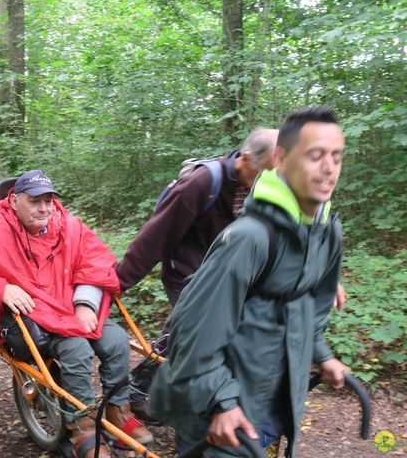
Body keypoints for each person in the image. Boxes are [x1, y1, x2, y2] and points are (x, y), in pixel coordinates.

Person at [149, 105, 349, 457]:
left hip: (276, 396)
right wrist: (221, 400)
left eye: (336, 156)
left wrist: (321, 354)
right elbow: (193, 331)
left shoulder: (326, 231)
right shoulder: (248, 238)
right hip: (224, 412)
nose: (329, 167)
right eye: (315, 155)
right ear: (282, 159)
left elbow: (308, 305)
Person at [0, 170, 153, 458]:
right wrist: (0, 289)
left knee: (117, 339)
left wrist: (85, 302)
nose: (44, 208)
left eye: (49, 200)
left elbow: (96, 261)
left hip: (68, 306)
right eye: (35, 201)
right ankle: (83, 427)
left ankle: (119, 408)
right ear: (15, 200)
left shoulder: (68, 226)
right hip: (34, 316)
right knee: (76, 349)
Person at [115, 128, 278, 418]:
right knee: (194, 328)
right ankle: (144, 390)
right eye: (267, 171)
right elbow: (156, 235)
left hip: (226, 275)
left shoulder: (262, 189)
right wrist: (118, 282)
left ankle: (187, 396)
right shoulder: (203, 182)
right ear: (247, 158)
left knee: (222, 333)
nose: (271, 181)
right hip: (187, 272)